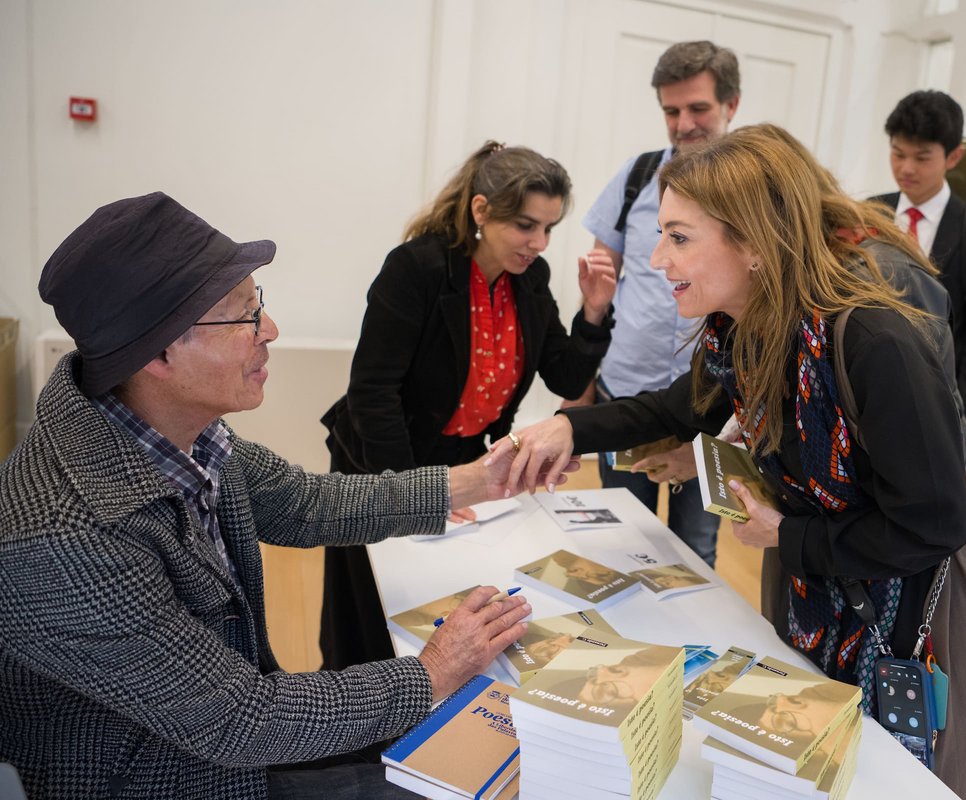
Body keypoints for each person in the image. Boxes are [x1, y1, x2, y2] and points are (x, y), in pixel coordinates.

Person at [0, 192, 570, 800]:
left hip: (226, 733)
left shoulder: (175, 431)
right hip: (164, 778)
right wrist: (433, 671)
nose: (269, 330)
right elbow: (239, 721)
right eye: (243, 314)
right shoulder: (63, 540)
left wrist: (480, 478)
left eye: (259, 304)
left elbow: (302, 503)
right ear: (158, 352)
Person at [495, 124, 966, 798]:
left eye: (679, 237)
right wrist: (565, 427)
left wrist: (786, 536)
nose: (654, 259)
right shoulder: (746, 330)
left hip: (907, 608)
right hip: (821, 576)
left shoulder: (876, 342)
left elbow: (931, 527)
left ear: (754, 244)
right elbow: (674, 410)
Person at [319, 141, 616, 670]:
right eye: (526, 226)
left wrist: (593, 313)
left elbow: (566, 375)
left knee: (437, 602)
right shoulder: (417, 268)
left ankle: (430, 710)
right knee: (368, 611)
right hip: (381, 458)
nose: (539, 243)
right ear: (482, 211)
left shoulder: (531, 279)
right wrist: (412, 490)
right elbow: (373, 391)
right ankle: (351, 724)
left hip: (464, 457)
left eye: (549, 228)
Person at [567, 40, 742, 567]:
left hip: (711, 409)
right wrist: (580, 392)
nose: (684, 123)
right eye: (671, 110)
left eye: (698, 108)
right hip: (626, 395)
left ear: (731, 105)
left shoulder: (747, 192)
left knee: (696, 552)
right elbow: (598, 291)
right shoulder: (637, 177)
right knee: (620, 549)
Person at [874, 89, 966, 438]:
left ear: (953, 157)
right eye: (898, 153)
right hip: (868, 390)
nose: (906, 168)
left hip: (937, 401)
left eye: (922, 158)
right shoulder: (870, 213)